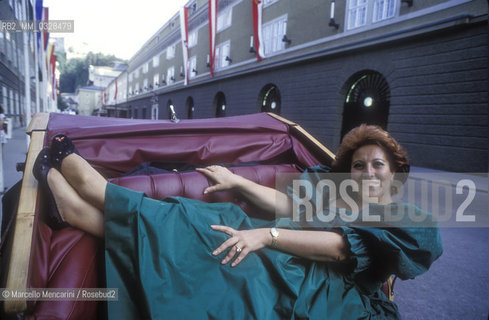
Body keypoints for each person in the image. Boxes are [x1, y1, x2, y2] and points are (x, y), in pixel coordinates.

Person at [33, 125, 442, 319]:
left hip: (333, 300)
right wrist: (237, 181)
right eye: (358, 165)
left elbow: (339, 248)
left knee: (229, 252)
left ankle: (89, 194)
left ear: (395, 172)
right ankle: (82, 205)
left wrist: (265, 235)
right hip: (295, 265)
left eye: (377, 165)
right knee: (219, 221)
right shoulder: (338, 196)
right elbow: (286, 203)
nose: (367, 173)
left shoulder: (407, 218)